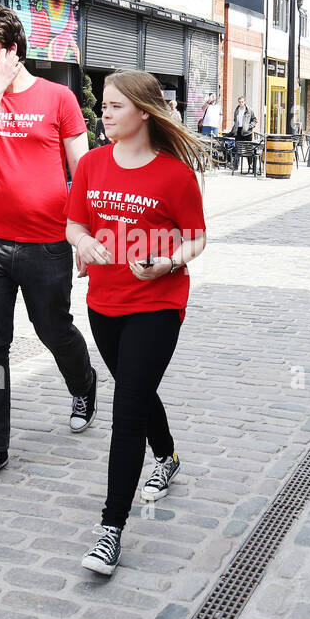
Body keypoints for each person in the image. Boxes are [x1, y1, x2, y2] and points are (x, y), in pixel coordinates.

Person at [0, 2, 97, 491]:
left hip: (48, 242)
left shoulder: (58, 98)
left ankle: (83, 384)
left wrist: (84, 233)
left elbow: (83, 169)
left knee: (53, 327)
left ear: (11, 50)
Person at [66, 69, 207, 575]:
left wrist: (169, 261)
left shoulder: (174, 175)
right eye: (103, 105)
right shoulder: (92, 165)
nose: (104, 113)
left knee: (126, 413)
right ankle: (166, 455)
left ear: (144, 113)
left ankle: (110, 531)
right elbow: (74, 222)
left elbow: (195, 238)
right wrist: (82, 243)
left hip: (158, 303)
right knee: (135, 390)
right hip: (104, 304)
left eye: (115, 106)